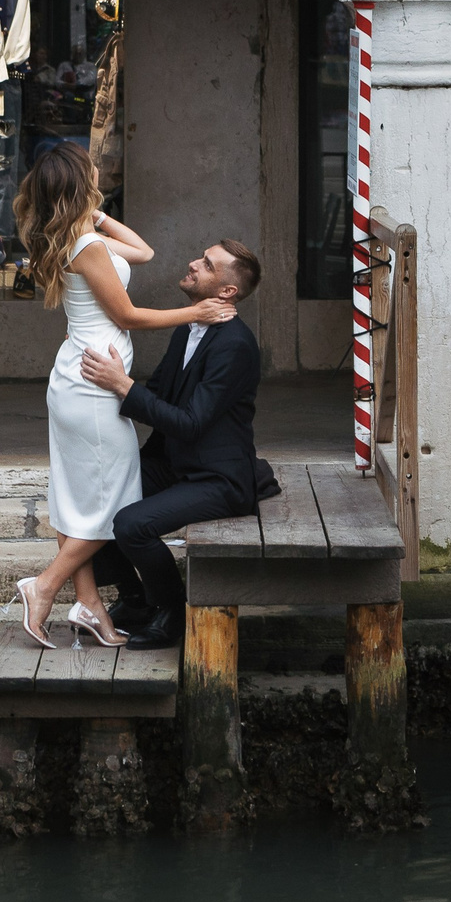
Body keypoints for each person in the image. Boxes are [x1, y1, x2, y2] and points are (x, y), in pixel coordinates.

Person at [8, 145, 237, 649]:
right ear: (77, 182)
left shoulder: (80, 236)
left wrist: (99, 215)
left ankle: (89, 604)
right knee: (114, 502)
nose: (99, 169)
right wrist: (196, 313)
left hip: (79, 377)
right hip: (93, 386)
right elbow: (128, 316)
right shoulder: (84, 246)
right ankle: (42, 586)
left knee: (77, 500)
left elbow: (144, 252)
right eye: (89, 169)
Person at [78, 239, 267, 651]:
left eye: (206, 263)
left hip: (217, 479)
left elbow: (191, 423)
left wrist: (122, 386)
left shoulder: (235, 344)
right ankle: (135, 600)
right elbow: (161, 391)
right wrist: (95, 401)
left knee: (132, 524)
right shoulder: (189, 327)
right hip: (173, 460)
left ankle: (171, 612)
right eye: (200, 256)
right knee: (93, 495)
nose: (192, 262)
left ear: (227, 292)